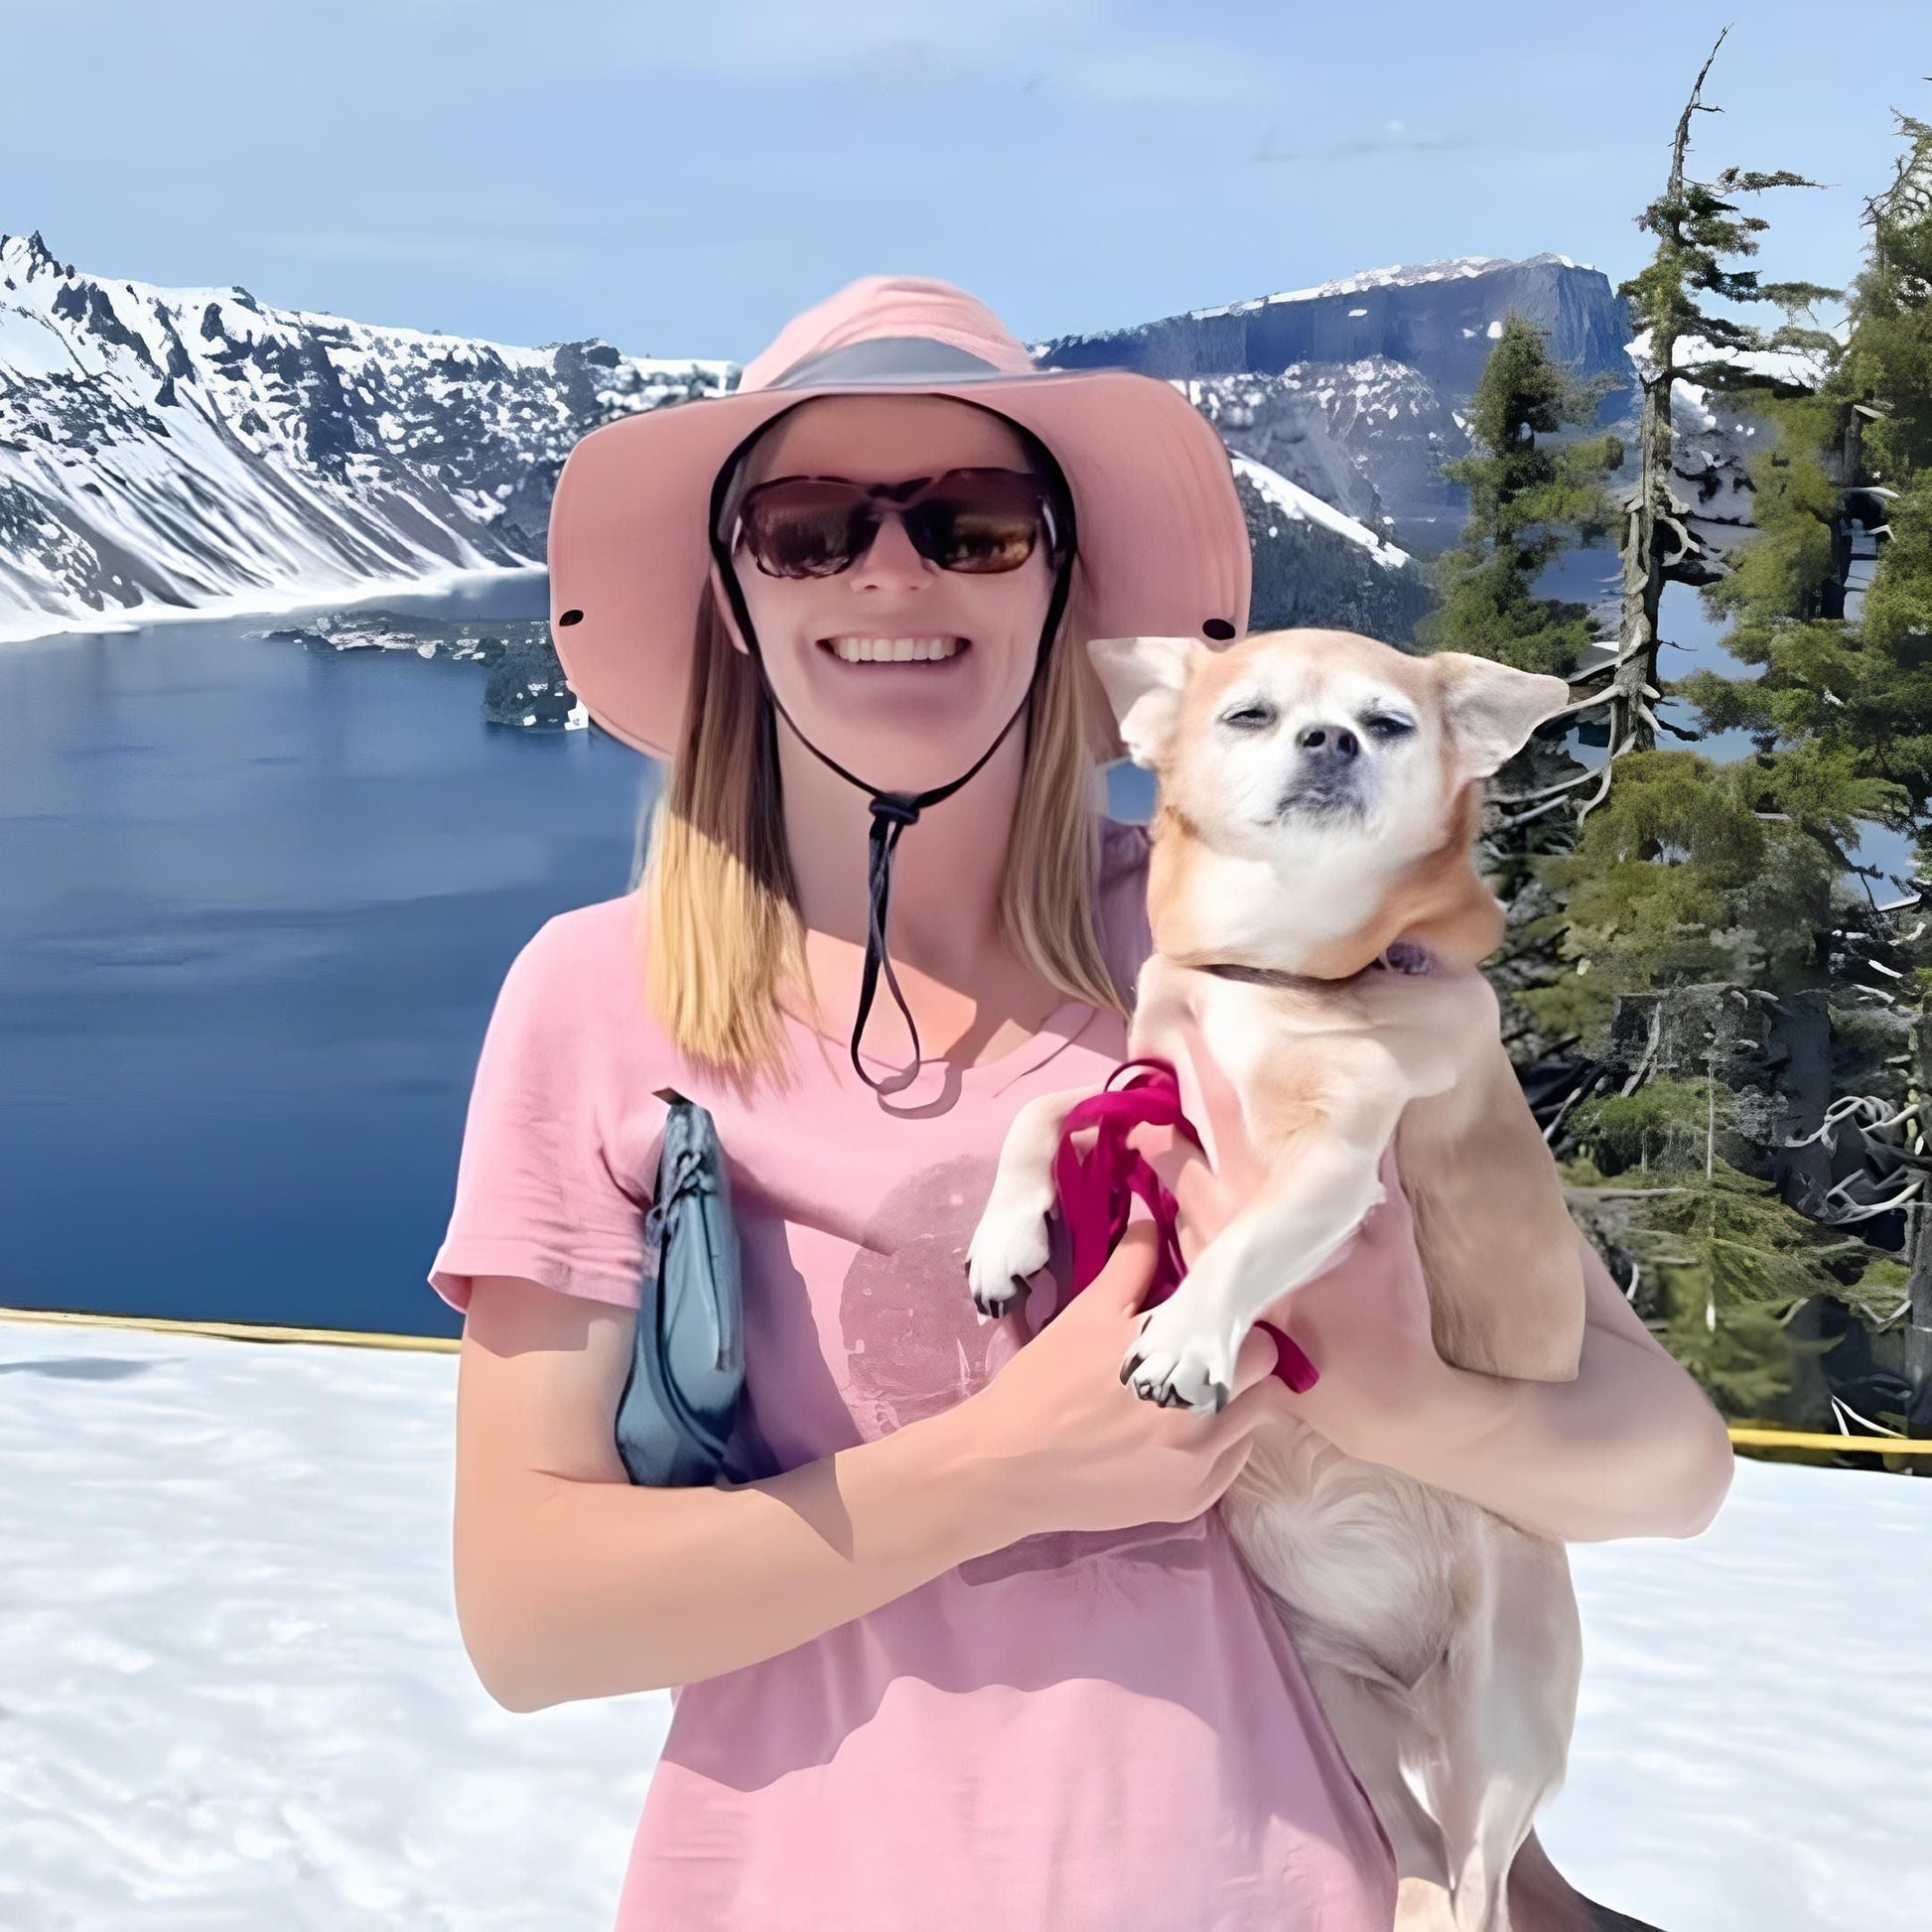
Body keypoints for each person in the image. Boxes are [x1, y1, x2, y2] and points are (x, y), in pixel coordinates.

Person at [426, 274, 1732, 1932]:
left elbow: (1668, 1468)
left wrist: (1400, 1400)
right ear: (732, 599)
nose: (891, 570)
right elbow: (528, 1618)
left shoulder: (1275, 944)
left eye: (973, 524)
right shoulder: (599, 999)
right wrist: (1005, 1466)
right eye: (805, 529)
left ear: (1060, 589)